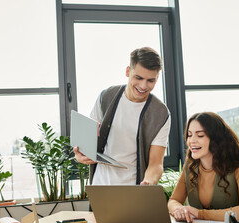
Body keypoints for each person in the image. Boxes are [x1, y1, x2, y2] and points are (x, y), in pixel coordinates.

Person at [73, 47, 171, 186]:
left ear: (157, 78)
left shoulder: (160, 114)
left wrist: (148, 182)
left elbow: (156, 163)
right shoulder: (106, 97)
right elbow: (87, 143)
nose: (143, 86)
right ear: (127, 71)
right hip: (100, 185)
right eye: (138, 78)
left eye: (150, 80)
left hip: (133, 189)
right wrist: (80, 155)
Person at [168, 112, 239, 222]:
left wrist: (200, 214)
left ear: (216, 140)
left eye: (200, 135)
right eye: (189, 135)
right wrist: (179, 210)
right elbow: (173, 200)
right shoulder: (190, 166)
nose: (191, 141)